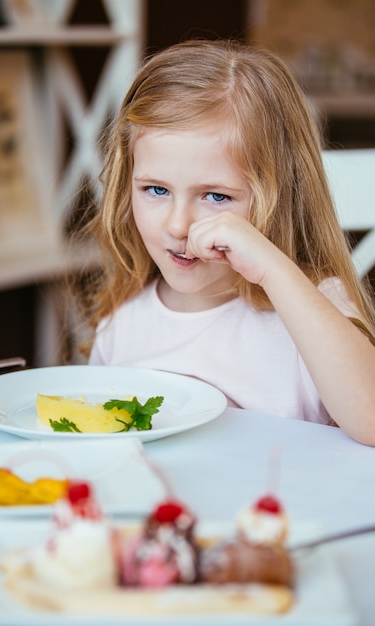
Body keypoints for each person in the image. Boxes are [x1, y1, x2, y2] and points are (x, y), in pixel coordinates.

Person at [76, 39, 375, 446]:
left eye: (216, 197)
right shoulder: (125, 323)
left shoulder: (313, 307)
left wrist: (272, 270)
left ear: (279, 197)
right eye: (155, 190)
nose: (179, 225)